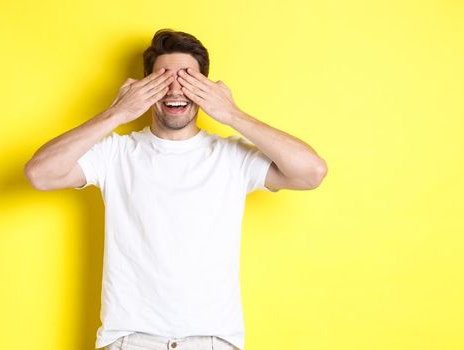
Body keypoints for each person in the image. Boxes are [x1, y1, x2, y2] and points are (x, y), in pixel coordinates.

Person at [24, 28, 327, 350]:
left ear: (206, 88)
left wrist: (231, 114)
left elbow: (311, 172)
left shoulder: (232, 157)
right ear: (144, 88)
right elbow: (41, 174)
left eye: (187, 78)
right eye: (162, 78)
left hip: (212, 340)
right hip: (130, 339)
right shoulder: (115, 153)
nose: (174, 88)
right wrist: (118, 112)